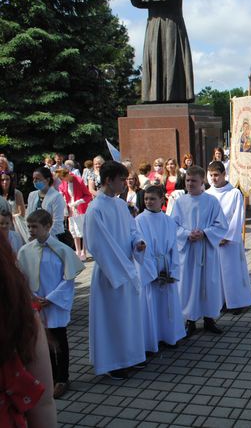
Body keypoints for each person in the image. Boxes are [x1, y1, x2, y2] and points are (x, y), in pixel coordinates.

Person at [83, 161, 147, 380]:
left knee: (128, 316)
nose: (124, 183)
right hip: (110, 273)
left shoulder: (120, 205)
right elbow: (98, 244)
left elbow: (132, 230)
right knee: (112, 319)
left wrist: (138, 242)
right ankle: (113, 363)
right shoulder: (96, 208)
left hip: (126, 269)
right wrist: (124, 267)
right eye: (121, 179)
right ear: (109, 180)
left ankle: (131, 356)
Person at [18, 210, 84, 399]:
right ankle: (51, 376)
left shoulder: (61, 249)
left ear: (47, 227)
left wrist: (52, 298)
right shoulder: (25, 251)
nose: (31, 230)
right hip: (36, 303)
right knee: (43, 341)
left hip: (54, 304)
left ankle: (63, 378)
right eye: (29, 226)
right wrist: (32, 296)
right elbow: (22, 277)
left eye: (35, 227)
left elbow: (68, 278)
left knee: (59, 340)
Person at [0, 235, 57, 426]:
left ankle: (63, 378)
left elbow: (43, 402)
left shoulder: (16, 313)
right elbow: (43, 404)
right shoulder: (17, 313)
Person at [171, 165, 229, 334]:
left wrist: (204, 233)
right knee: (189, 285)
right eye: (187, 180)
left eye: (193, 181)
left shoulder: (211, 201)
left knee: (208, 284)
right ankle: (190, 321)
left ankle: (209, 319)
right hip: (188, 250)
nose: (190, 183)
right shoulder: (180, 202)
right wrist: (186, 234)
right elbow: (172, 225)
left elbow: (221, 224)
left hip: (206, 249)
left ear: (202, 181)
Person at [135, 185, 185, 353]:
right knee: (151, 303)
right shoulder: (140, 220)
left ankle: (170, 336)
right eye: (146, 198)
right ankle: (152, 340)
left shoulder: (168, 221)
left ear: (162, 200)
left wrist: (173, 270)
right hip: (150, 268)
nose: (148, 202)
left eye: (152, 199)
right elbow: (141, 247)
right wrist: (152, 273)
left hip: (166, 264)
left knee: (167, 302)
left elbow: (174, 249)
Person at [205, 161, 251, 312]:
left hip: (229, 241)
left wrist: (227, 236)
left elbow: (238, 215)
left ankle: (237, 302)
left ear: (224, 174)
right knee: (216, 274)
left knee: (232, 272)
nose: (213, 179)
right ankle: (220, 302)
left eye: (216, 175)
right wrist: (212, 235)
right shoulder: (207, 194)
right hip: (213, 240)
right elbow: (205, 218)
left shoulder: (234, 193)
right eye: (211, 175)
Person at [129, 0, 194, 103]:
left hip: (160, 27)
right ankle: (172, 95)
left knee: (168, 55)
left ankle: (154, 95)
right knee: (169, 55)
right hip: (167, 26)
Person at [27, 167, 73, 249]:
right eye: (34, 179)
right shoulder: (32, 195)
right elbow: (28, 217)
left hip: (53, 239)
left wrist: (44, 237)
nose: (35, 181)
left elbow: (57, 222)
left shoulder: (56, 196)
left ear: (47, 180)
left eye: (38, 179)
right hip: (34, 239)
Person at [55, 168, 92, 260]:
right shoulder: (63, 183)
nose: (63, 180)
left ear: (67, 175)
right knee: (74, 230)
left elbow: (88, 195)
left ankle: (84, 251)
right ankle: (78, 251)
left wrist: (79, 202)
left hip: (80, 208)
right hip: (70, 208)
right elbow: (62, 192)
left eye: (63, 178)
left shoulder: (78, 180)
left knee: (82, 229)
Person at [1, 169, 28, 242]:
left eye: (7, 179)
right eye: (2, 180)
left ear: (11, 181)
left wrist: (9, 217)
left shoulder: (17, 193)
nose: (5, 182)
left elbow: (22, 213)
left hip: (14, 226)